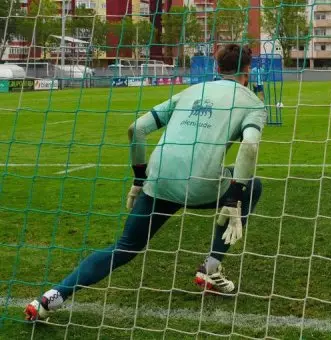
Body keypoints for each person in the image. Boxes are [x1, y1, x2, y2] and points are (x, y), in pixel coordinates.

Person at [25, 44, 265, 321]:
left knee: (124, 248)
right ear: (247, 70)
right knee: (254, 185)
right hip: (201, 185)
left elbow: (136, 128)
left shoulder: (191, 91)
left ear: (217, 68)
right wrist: (234, 198)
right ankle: (210, 267)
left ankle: (49, 298)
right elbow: (249, 145)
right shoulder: (253, 103)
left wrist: (139, 179)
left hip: (158, 180)